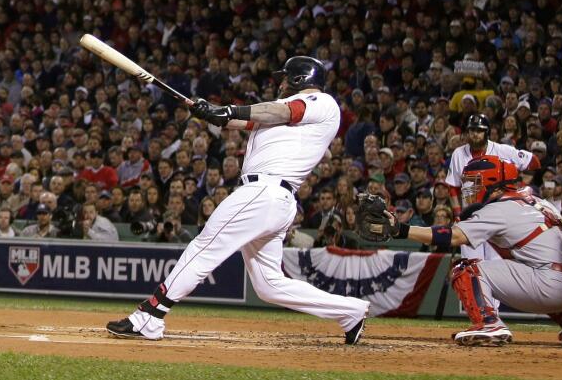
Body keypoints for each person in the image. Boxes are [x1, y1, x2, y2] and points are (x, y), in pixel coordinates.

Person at [108, 57, 370, 345]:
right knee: (269, 285)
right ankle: (350, 312)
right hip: (271, 198)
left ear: (299, 79)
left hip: (264, 192)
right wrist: (207, 110)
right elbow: (243, 119)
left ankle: (150, 316)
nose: (280, 83)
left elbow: (279, 111)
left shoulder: (320, 103)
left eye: (285, 78)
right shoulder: (281, 116)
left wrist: (228, 109)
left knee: (204, 246)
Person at [376, 158, 562, 346]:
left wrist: (402, 229)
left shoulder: (498, 208)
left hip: (552, 285)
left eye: (474, 182)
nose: (470, 188)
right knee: (528, 264)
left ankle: (489, 324)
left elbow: (453, 237)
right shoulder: (538, 201)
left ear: (491, 182)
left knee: (465, 269)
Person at [445, 112, 540, 314]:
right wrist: (457, 213)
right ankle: (481, 313)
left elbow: (534, 162)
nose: (475, 134)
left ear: (487, 132)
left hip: (499, 217)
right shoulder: (458, 154)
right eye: (472, 130)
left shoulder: (502, 151)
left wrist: (518, 185)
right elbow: (452, 186)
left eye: (479, 131)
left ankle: (493, 314)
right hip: (471, 218)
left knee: (495, 267)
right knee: (471, 266)